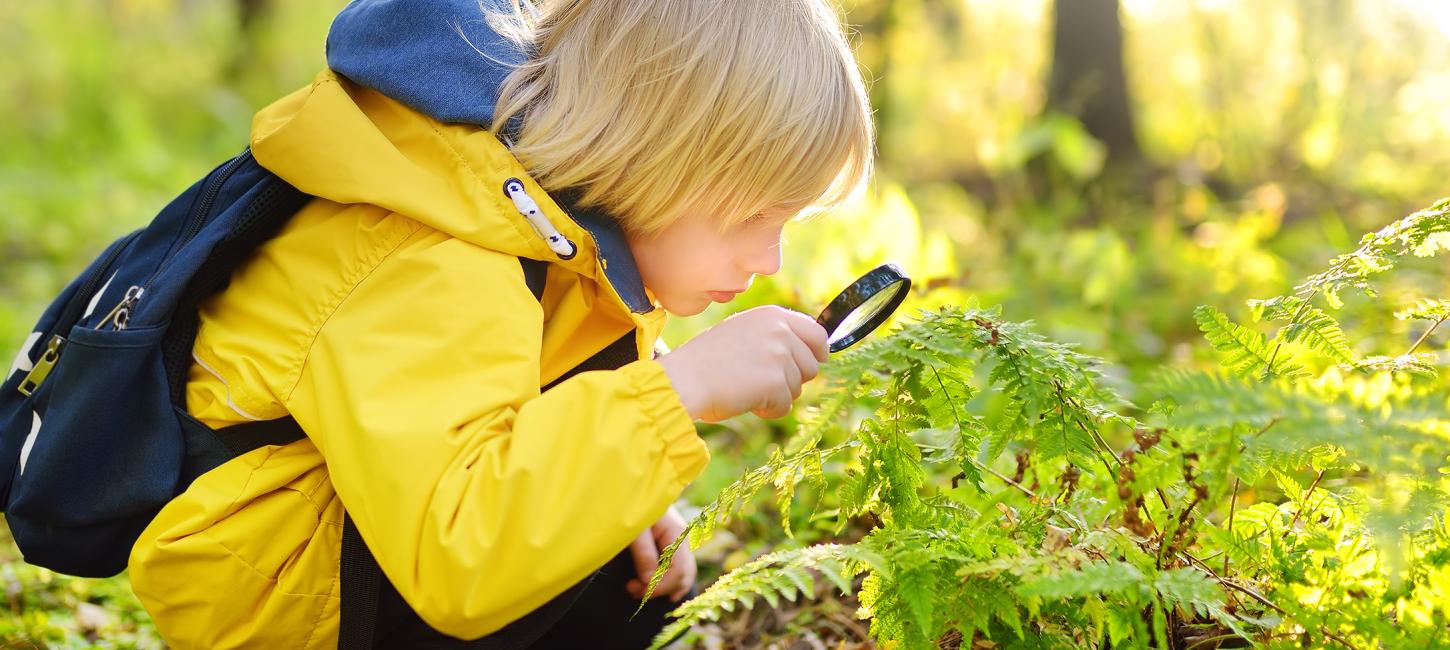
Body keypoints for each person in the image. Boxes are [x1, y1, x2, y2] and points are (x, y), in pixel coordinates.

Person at [125, 0, 874, 647]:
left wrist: (626, 491)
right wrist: (679, 391)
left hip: (383, 538)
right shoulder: (435, 254)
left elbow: (540, 385)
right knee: (584, 564)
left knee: (623, 568)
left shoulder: (558, 231)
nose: (769, 257)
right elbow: (461, 550)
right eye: (753, 215)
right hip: (287, 593)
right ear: (657, 155)